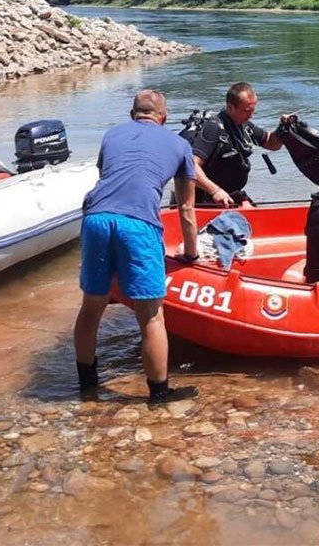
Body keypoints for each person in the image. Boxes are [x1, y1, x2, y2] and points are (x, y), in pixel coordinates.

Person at [73, 89, 200, 405]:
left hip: (96, 219)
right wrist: (191, 253)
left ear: (133, 114)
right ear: (164, 117)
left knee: (92, 307)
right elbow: (186, 208)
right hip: (138, 224)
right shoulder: (180, 145)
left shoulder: (112, 134)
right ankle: (159, 394)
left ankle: (87, 385)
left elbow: (109, 180)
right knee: (151, 316)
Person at [190, 82, 295, 207]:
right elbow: (190, 165)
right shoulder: (213, 128)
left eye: (253, 110)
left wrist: (283, 127)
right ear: (230, 107)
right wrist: (215, 191)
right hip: (207, 199)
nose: (251, 116)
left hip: (231, 195)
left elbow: (271, 143)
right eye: (246, 111)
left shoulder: (243, 125)